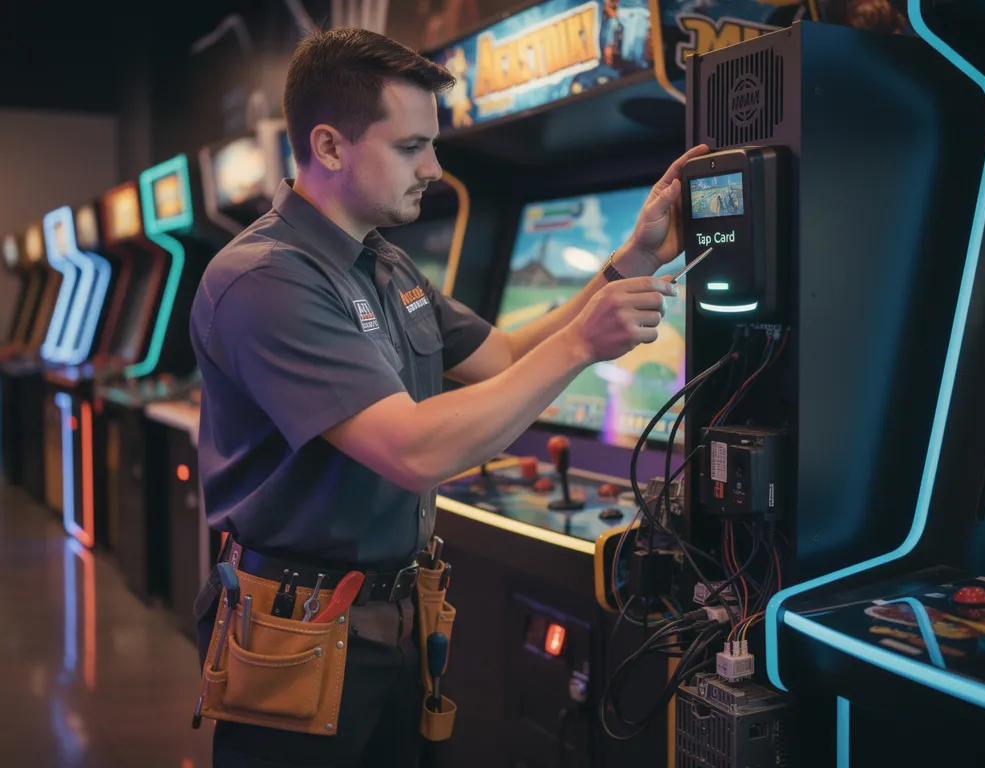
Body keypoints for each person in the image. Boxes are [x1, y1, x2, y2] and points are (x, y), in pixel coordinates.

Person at [189, 26, 710, 768]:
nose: (434, 167)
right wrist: (581, 345)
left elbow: (501, 353)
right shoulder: (265, 278)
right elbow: (413, 449)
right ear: (330, 147)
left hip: (398, 619)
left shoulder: (383, 261)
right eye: (410, 147)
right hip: (298, 635)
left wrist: (633, 259)